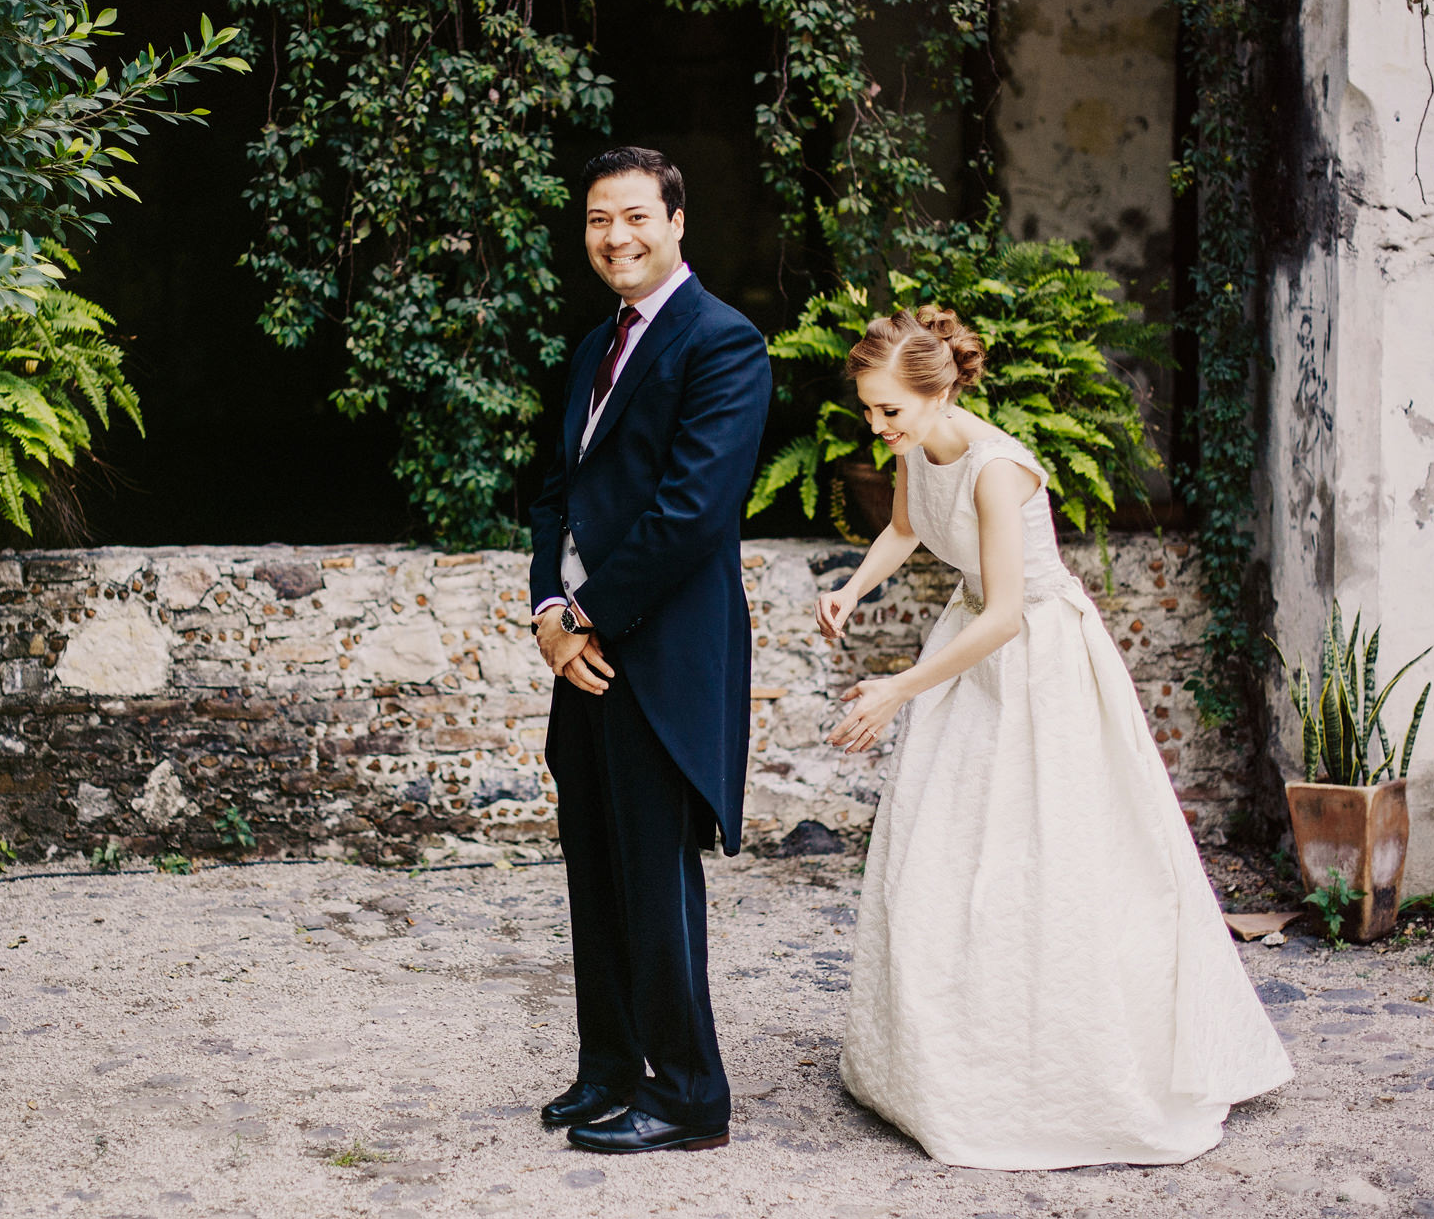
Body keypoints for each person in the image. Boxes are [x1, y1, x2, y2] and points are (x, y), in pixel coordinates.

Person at [817, 307, 1292, 1169]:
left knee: (1047, 861)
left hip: (1035, 657)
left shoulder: (999, 469)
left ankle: (1071, 1063)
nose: (877, 427)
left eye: (888, 410)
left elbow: (1003, 614)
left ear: (942, 387)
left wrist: (896, 689)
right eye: (871, 412)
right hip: (970, 649)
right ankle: (947, 1059)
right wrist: (853, 591)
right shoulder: (918, 448)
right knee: (941, 852)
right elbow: (905, 527)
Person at [525, 146, 772, 1154]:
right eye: (596, 220)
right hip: (579, 647)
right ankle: (609, 1067)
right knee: (595, 863)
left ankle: (687, 1094)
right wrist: (546, 603)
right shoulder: (595, 345)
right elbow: (553, 491)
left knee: (657, 877)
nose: (613, 236)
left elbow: (691, 512)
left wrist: (585, 615)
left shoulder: (723, 343)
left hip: (661, 656)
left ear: (676, 220)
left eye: (633, 216)